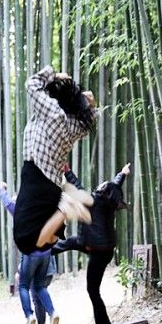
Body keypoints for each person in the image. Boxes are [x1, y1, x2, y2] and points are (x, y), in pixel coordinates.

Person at [13, 65, 98, 256]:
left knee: (27, 240)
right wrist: (91, 105)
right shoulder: (73, 124)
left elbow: (31, 84)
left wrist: (53, 74)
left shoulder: (52, 111)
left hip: (36, 178)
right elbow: (90, 121)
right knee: (44, 243)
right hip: (49, 185)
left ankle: (67, 207)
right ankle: (67, 205)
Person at [52, 163, 131, 324]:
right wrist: (122, 173)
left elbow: (78, 188)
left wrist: (67, 171)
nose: (101, 184)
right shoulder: (108, 202)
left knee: (93, 290)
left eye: (102, 185)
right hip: (101, 247)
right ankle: (44, 252)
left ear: (103, 191)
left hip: (97, 250)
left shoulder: (94, 201)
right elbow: (115, 185)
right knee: (70, 242)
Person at [0, 182, 57, 324]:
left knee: (25, 287)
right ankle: (52, 314)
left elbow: (7, 202)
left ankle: (31, 317)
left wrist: (1, 189)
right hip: (47, 258)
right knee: (40, 289)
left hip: (32, 256)